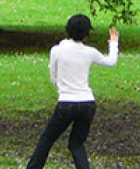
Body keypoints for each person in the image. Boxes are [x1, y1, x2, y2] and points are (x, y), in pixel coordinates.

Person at [26, 14, 120, 169]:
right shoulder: (90, 52)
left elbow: (53, 76)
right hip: (88, 103)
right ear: (86, 34)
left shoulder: (57, 50)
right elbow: (110, 62)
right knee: (77, 143)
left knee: (47, 138)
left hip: (66, 103)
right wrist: (114, 43)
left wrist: (62, 89)